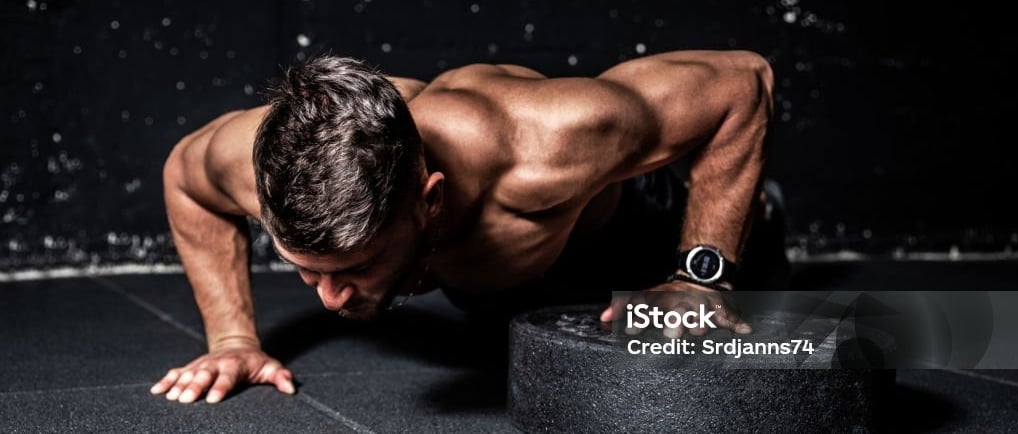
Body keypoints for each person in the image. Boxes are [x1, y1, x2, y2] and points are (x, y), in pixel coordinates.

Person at [153, 50, 778, 404]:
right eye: (305, 269)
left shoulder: (551, 142)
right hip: (504, 291)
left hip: (636, 241)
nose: (329, 299)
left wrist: (701, 278)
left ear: (431, 199)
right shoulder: (255, 159)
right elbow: (184, 176)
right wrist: (234, 338)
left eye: (356, 268)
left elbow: (743, 81)